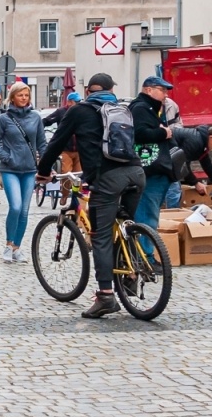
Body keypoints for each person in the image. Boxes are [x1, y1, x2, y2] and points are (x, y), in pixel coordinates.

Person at [38, 73, 145, 319]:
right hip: (136, 173)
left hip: (107, 178)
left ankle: (106, 295)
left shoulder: (78, 111)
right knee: (125, 223)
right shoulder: (122, 108)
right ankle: (130, 274)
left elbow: (56, 143)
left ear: (87, 91)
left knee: (101, 236)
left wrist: (43, 172)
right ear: (111, 89)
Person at [0, 81, 46, 263]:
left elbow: (42, 144)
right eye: (20, 95)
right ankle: (8, 244)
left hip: (29, 169)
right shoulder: (4, 119)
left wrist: (46, 164)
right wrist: (7, 157)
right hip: (10, 169)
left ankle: (17, 247)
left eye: (26, 95)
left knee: (25, 211)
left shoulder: (35, 117)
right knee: (15, 207)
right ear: (12, 97)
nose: (24, 98)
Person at [129, 75, 176, 229]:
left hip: (152, 168)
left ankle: (143, 250)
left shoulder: (148, 107)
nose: (166, 94)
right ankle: (145, 253)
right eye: (162, 90)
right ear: (149, 90)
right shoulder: (141, 108)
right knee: (147, 215)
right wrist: (164, 133)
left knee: (149, 213)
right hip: (150, 169)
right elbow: (140, 133)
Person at [44, 92, 81, 174]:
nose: (79, 104)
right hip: (65, 149)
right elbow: (46, 121)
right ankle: (66, 187)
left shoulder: (81, 111)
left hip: (79, 150)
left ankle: (76, 187)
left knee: (78, 176)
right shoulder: (61, 112)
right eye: (77, 102)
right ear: (69, 102)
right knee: (66, 174)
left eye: (80, 102)